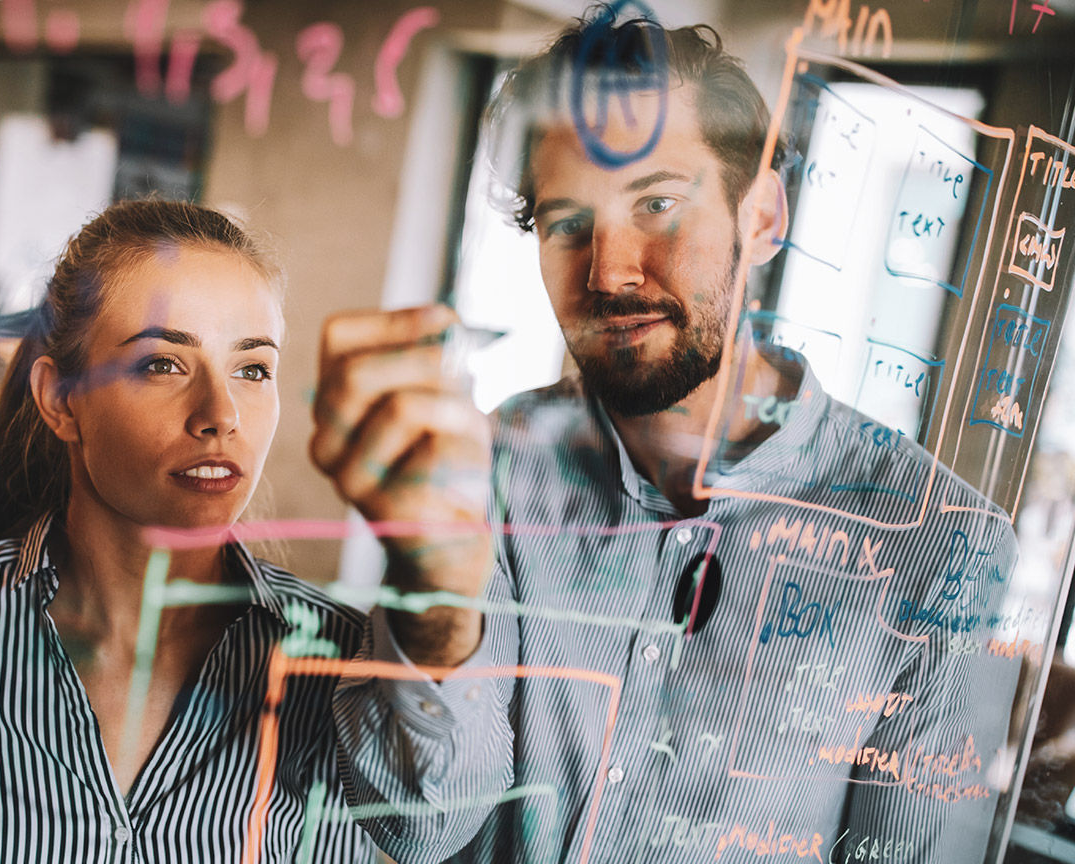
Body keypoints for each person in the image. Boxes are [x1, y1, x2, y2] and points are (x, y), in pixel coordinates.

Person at [319, 9, 1018, 864]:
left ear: (761, 217)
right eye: (567, 222)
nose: (609, 270)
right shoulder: (488, 468)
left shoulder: (944, 546)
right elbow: (418, 829)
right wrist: (434, 600)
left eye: (657, 202)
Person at [0, 199, 399, 863]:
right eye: (162, 363)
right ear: (61, 400)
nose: (221, 414)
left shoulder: (340, 661)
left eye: (252, 368)